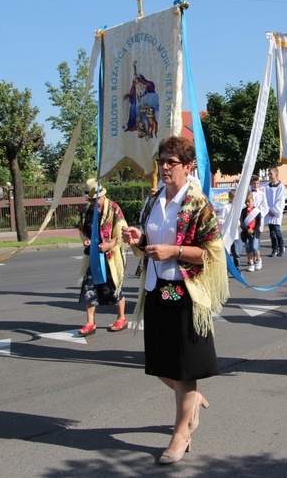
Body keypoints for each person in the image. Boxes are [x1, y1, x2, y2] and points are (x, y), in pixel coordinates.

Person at [122, 136, 228, 465]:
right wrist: (140, 240)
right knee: (160, 363)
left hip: (186, 292)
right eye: (162, 161)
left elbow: (210, 253)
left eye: (172, 162)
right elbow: (149, 241)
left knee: (185, 367)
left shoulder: (198, 204)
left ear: (187, 166)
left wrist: (174, 251)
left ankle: (182, 433)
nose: (165, 167)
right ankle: (191, 401)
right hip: (156, 288)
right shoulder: (153, 200)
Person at [77, 178, 128, 336]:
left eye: (96, 200)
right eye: (91, 200)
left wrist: (111, 244)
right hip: (94, 255)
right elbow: (83, 230)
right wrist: (86, 241)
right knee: (89, 287)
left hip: (111, 256)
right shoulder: (88, 211)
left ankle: (121, 318)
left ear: (102, 196)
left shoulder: (114, 208)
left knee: (114, 287)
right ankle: (90, 322)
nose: (94, 203)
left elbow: (123, 232)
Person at [217, 189, 241, 270]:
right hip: (227, 235)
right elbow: (219, 219)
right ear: (230, 198)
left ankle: (237, 269)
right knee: (227, 254)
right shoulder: (225, 208)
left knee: (236, 254)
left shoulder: (237, 208)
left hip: (235, 235)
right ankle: (227, 271)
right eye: (234, 198)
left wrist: (237, 223)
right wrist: (227, 223)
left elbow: (238, 221)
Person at [264, 167, 286, 257]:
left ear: (276, 175)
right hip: (269, 212)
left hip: (276, 213)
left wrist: (274, 210)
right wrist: (268, 210)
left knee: (277, 231)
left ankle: (281, 247)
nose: (269, 175)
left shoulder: (280, 187)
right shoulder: (266, 187)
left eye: (271, 174)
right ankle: (274, 249)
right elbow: (265, 199)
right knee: (272, 233)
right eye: (268, 174)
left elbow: (280, 200)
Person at [249, 175, 268, 270]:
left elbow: (265, 207)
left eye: (257, 183)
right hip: (249, 221)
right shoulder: (248, 194)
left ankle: (257, 258)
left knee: (256, 241)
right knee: (249, 241)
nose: (255, 185)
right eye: (253, 183)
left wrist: (258, 214)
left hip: (258, 220)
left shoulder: (262, 194)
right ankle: (251, 260)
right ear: (250, 184)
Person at [240, 192, 262, 272]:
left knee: (255, 247)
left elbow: (258, 223)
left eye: (249, 201)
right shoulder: (243, 211)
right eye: (246, 202)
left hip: (254, 232)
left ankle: (258, 260)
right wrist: (246, 230)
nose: (247, 203)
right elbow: (241, 222)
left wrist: (254, 230)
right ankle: (251, 263)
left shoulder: (256, 211)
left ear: (253, 200)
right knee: (248, 249)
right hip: (246, 233)